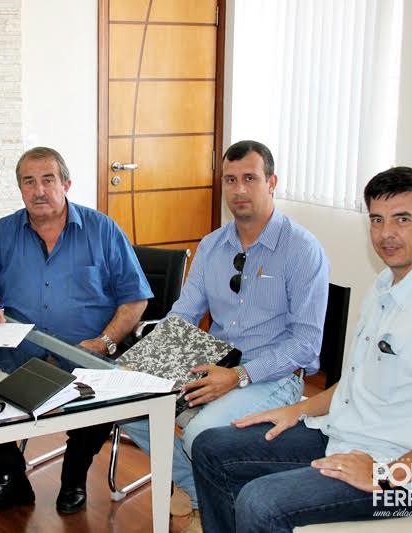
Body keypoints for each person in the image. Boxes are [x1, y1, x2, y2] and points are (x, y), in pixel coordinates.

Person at [191, 167, 412, 532]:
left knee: (260, 502)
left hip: (406, 480)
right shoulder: (387, 283)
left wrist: (387, 474)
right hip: (345, 437)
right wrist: (296, 410)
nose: (386, 233)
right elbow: (360, 381)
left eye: (402, 219)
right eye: (377, 219)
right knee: (210, 448)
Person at [121, 140, 329, 532]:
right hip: (212, 365)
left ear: (272, 182)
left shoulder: (302, 250)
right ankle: (204, 493)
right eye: (230, 180)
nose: (239, 190)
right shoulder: (213, 245)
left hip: (273, 376)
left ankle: (210, 497)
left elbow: (305, 345)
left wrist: (238, 376)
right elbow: (184, 315)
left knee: (200, 434)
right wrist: (143, 362)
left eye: (250, 178)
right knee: (126, 405)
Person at [0, 146, 152, 515]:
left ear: (66, 184)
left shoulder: (102, 230)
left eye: (48, 180)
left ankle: (74, 475)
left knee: (102, 388)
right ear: (20, 189)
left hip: (87, 352)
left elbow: (135, 299)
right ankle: (10, 479)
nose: (39, 190)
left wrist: (105, 341)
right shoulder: (5, 232)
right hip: (17, 352)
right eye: (29, 182)